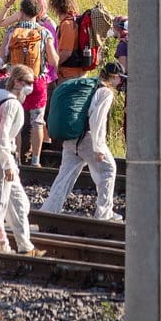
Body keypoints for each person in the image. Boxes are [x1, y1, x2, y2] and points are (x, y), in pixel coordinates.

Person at [0, 63, 43, 256]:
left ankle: (25, 246)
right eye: (27, 82)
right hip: (0, 157)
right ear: (17, 81)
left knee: (19, 202)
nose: (31, 86)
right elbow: (2, 139)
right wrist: (7, 164)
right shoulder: (12, 104)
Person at [40, 62, 122, 221]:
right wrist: (98, 147)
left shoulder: (91, 86)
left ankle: (49, 211)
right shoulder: (105, 92)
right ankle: (104, 214)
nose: (120, 82)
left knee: (65, 175)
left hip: (72, 138)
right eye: (120, 78)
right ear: (113, 77)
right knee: (108, 170)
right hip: (87, 138)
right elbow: (97, 119)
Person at [1, 0, 59, 167]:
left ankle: (17, 158)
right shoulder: (44, 32)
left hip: (16, 82)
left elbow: (2, 56)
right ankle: (35, 160)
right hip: (37, 81)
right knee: (37, 121)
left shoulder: (11, 31)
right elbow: (53, 61)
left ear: (21, 12)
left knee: (15, 120)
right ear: (39, 12)